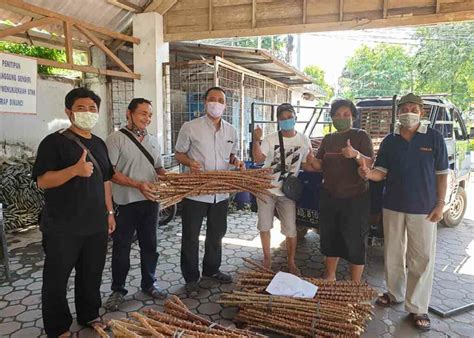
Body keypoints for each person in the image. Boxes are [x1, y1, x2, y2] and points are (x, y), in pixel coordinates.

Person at [359, 93, 448, 331]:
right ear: (398, 113)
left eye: (414, 108)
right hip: (393, 206)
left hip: (425, 209)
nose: (409, 112)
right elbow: (380, 172)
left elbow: (442, 174)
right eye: (405, 108)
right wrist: (367, 174)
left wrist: (441, 204)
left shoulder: (434, 138)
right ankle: (394, 293)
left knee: (421, 258)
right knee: (393, 253)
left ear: (421, 112)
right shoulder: (390, 141)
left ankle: (418, 307)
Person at [32, 88, 115, 337]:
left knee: (91, 274)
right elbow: (43, 181)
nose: (87, 113)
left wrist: (110, 212)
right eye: (81, 108)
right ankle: (58, 328)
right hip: (62, 226)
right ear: (69, 112)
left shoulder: (99, 143)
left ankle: (89, 314)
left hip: (96, 224)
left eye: (92, 108)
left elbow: (106, 181)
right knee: (57, 280)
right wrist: (74, 171)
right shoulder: (53, 142)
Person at [175, 86, 245, 296]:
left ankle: (211, 270)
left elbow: (231, 157)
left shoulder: (231, 130)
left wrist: (237, 162)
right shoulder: (190, 127)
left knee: (216, 234)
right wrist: (190, 162)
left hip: (220, 193)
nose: (216, 103)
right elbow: (179, 154)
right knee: (191, 236)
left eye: (220, 100)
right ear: (205, 102)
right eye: (212, 99)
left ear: (225, 105)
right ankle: (190, 278)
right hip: (196, 191)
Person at [104, 98, 167, 310]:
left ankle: (149, 283)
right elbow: (110, 173)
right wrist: (138, 184)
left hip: (150, 203)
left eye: (149, 114)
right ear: (129, 114)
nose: (147, 118)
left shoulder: (154, 140)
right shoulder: (115, 139)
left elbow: (158, 168)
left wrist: (172, 180)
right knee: (121, 248)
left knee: (150, 245)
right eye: (142, 113)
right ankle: (118, 290)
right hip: (125, 203)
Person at [310, 99, 374, 282]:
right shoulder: (328, 139)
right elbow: (320, 163)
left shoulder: (361, 136)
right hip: (330, 196)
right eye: (337, 115)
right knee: (330, 238)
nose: (341, 117)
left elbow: (370, 163)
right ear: (331, 118)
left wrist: (355, 155)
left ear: (353, 117)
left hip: (355, 198)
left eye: (346, 114)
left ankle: (354, 285)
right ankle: (330, 276)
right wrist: (311, 161)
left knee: (355, 240)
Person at [252, 103, 314, 275]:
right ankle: (267, 259)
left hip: (287, 192)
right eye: (282, 119)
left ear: (295, 117)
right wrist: (256, 139)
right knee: (264, 226)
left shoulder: (303, 139)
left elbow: (306, 165)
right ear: (278, 121)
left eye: (289, 117)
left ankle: (291, 262)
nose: (287, 121)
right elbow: (257, 159)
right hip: (266, 188)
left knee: (291, 229)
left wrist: (315, 161)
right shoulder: (271, 139)